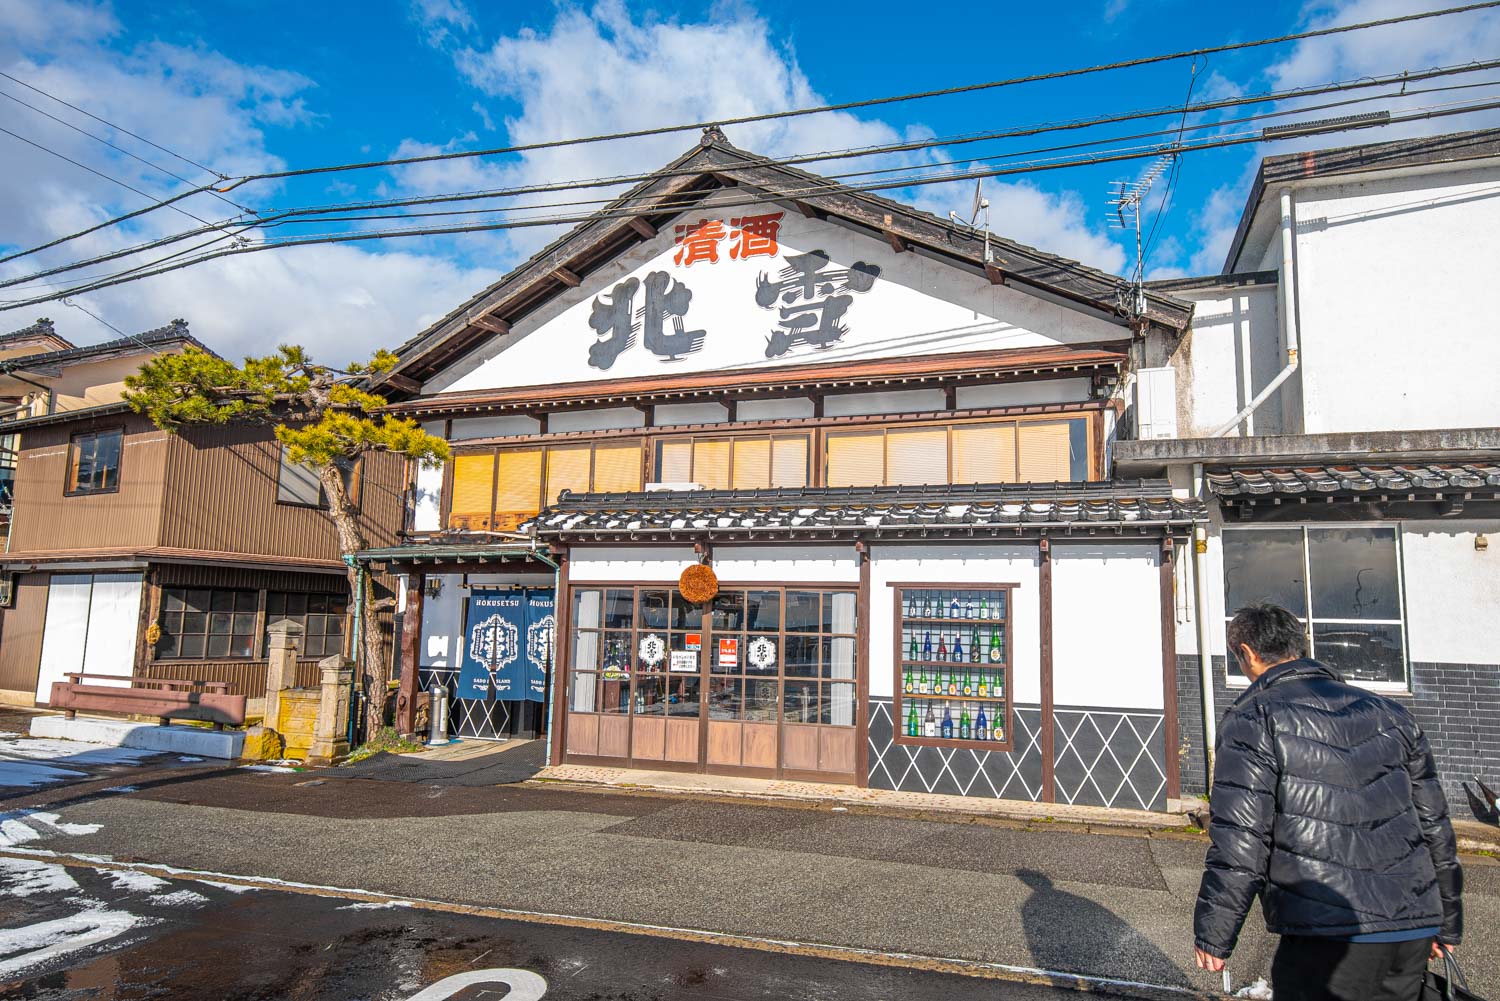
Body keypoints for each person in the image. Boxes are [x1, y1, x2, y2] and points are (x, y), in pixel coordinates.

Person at [1192, 603, 1463, 1001]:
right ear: (1300, 646)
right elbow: (1435, 827)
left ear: (1247, 653)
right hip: (1411, 928)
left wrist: (1214, 933)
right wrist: (1446, 921)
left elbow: (1242, 840)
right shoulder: (1392, 713)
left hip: (1324, 932)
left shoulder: (1255, 718)